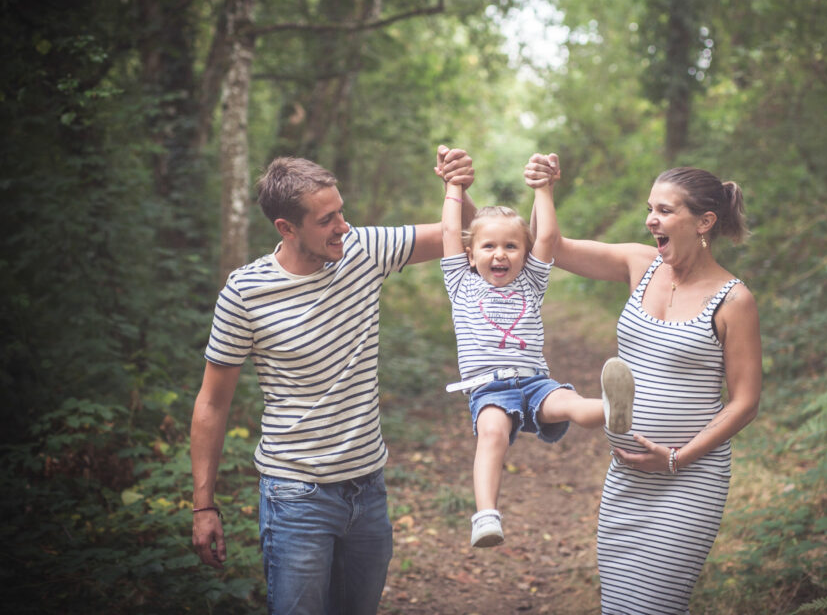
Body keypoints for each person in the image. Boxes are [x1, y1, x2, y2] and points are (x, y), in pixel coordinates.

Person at [190, 146, 475, 615]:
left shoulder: (363, 250)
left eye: (341, 212)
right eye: (326, 220)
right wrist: (203, 506)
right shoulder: (246, 292)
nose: (343, 226)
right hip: (295, 496)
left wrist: (458, 188)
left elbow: (463, 236)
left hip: (368, 489)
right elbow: (212, 403)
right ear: (286, 228)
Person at [525, 154, 763, 615]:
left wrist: (676, 458)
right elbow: (548, 247)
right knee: (622, 604)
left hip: (689, 480)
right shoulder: (641, 263)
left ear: (704, 222)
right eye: (650, 209)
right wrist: (543, 189)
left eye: (665, 211)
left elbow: (746, 402)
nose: (651, 219)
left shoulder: (734, 300)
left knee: (654, 605)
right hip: (627, 478)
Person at [440, 157, 635, 549]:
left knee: (572, 404)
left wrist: (543, 189)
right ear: (470, 252)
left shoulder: (530, 281)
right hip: (489, 388)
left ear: (524, 253)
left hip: (535, 381)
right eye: (489, 246)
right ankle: (485, 515)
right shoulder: (461, 283)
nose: (500, 254)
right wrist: (453, 187)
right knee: (492, 432)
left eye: (511, 246)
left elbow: (546, 238)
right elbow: (449, 227)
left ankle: (614, 410)